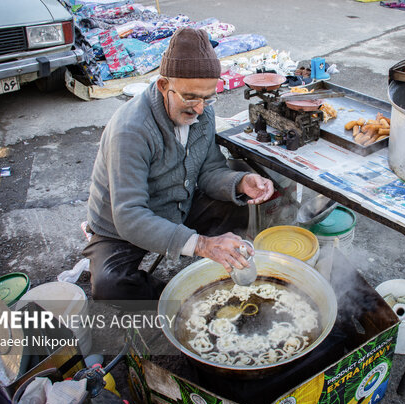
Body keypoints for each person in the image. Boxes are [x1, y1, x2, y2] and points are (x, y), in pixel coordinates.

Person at [83, 27, 274, 301]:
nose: (199, 108)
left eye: (207, 97)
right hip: (121, 228)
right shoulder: (131, 130)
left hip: (177, 206)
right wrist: (202, 244)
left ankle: (223, 268)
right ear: (163, 86)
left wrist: (241, 183)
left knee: (237, 202)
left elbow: (209, 170)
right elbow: (129, 216)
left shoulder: (203, 112)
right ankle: (182, 302)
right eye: (190, 97)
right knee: (110, 285)